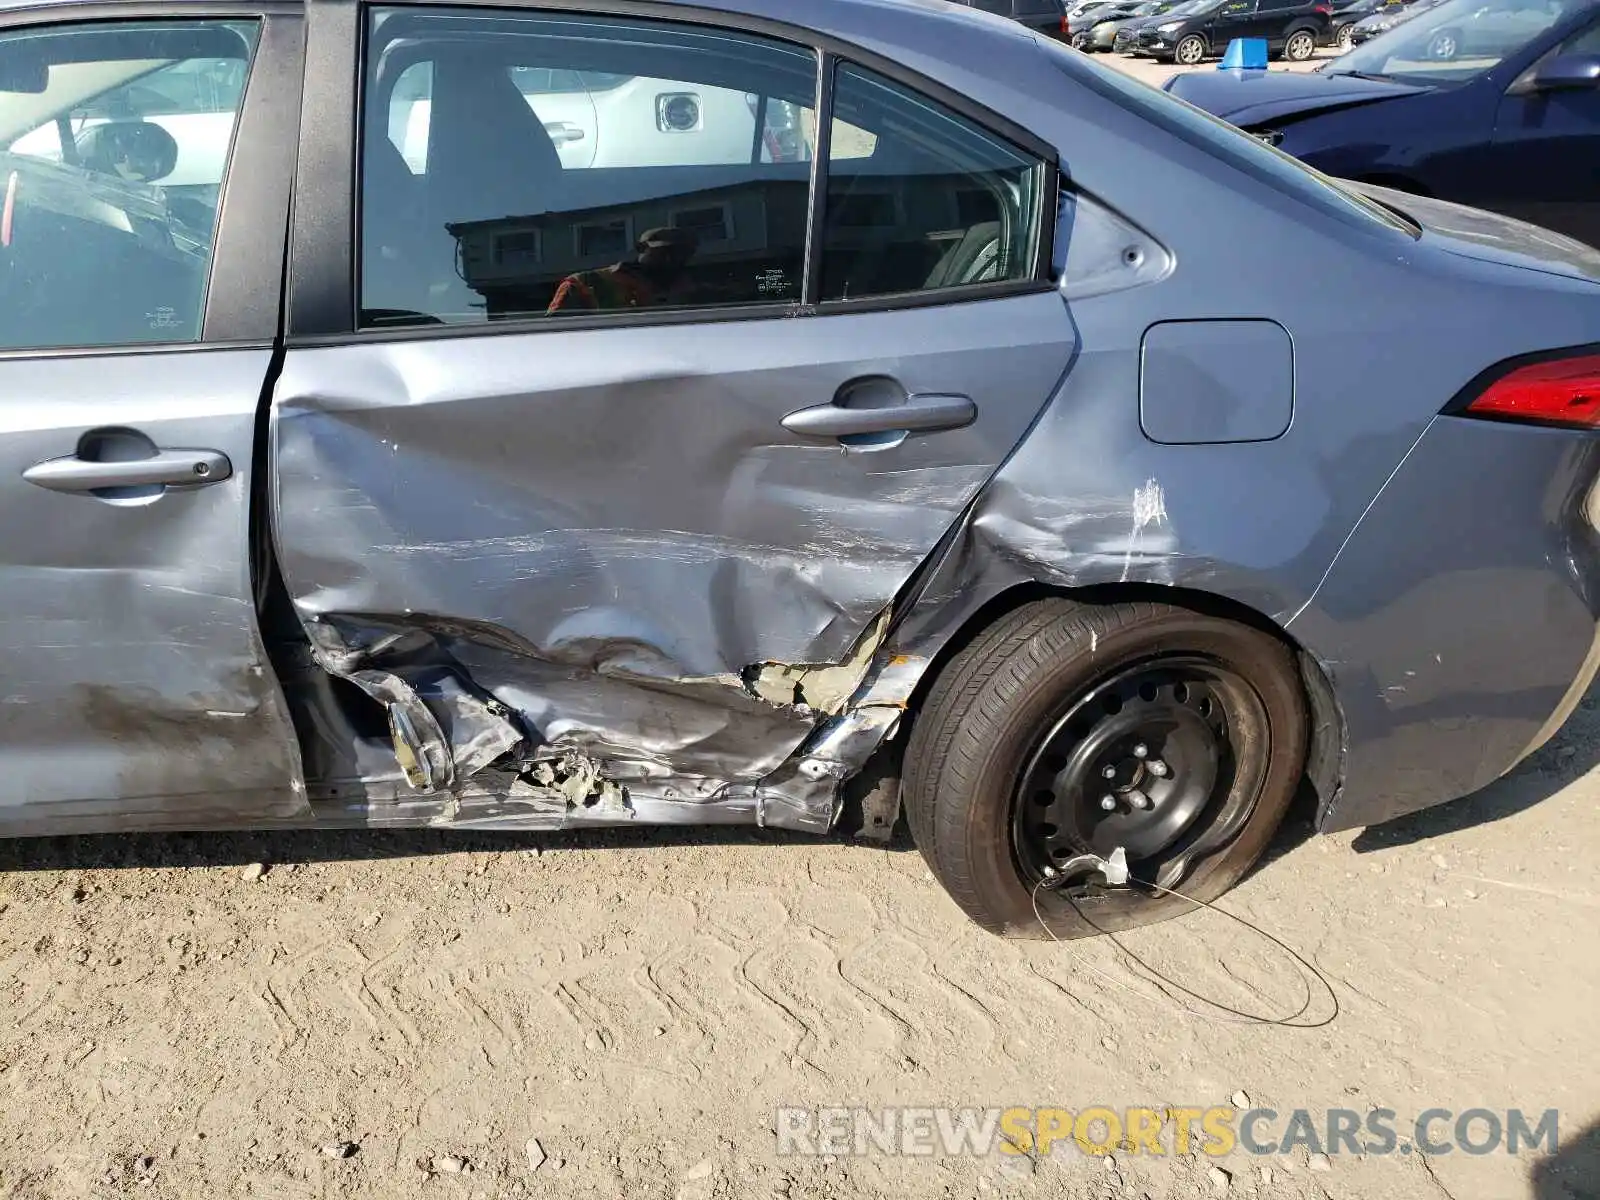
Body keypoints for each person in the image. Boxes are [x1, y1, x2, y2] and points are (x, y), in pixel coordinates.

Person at [546, 226, 699, 313]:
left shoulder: (695, 292)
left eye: (683, 253)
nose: (672, 259)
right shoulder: (584, 284)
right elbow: (552, 337)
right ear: (641, 248)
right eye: (665, 251)